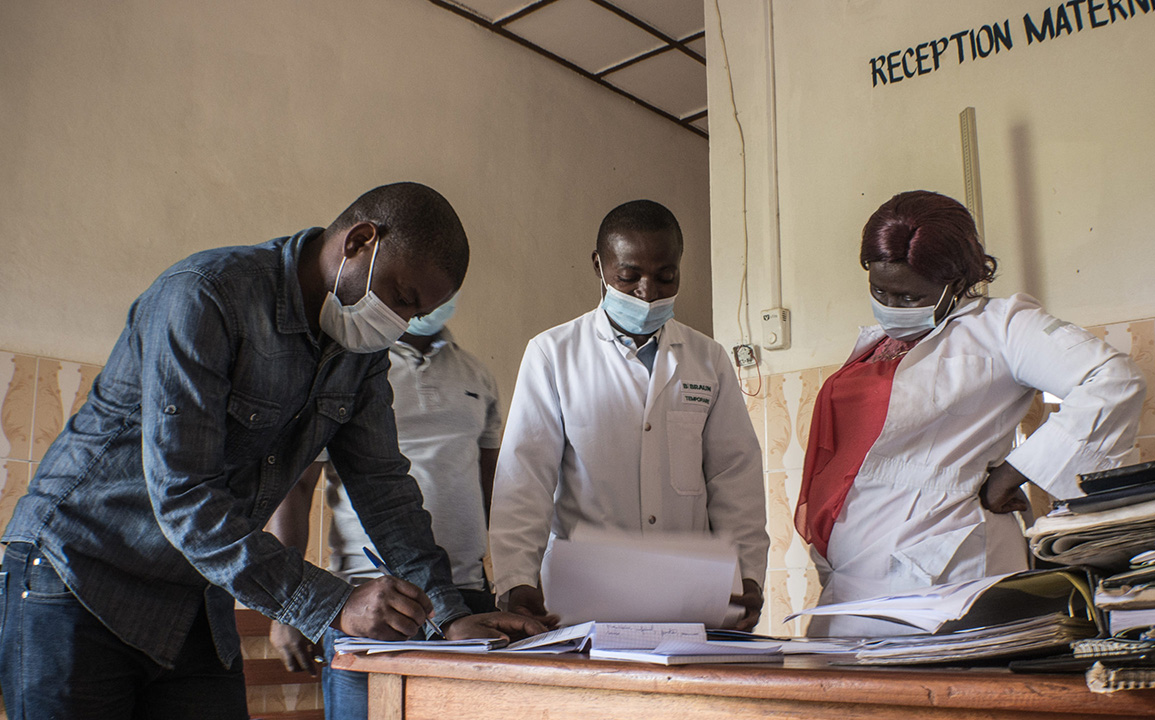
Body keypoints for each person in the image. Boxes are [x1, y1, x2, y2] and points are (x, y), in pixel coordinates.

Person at [0, 182, 541, 719]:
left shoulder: (361, 352)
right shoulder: (206, 294)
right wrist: (335, 604)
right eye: (401, 298)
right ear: (359, 241)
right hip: (79, 575)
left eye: (415, 314)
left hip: (192, 593)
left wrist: (447, 618)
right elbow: (184, 493)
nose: (399, 324)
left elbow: (385, 490)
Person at [795, 190, 1146, 636]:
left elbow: (1113, 381)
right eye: (880, 291)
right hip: (849, 576)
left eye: (908, 297)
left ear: (955, 282)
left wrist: (1013, 473)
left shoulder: (1002, 327)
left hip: (940, 567)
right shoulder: (876, 349)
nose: (891, 307)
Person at [488, 199, 769, 630]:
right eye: (629, 276)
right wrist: (515, 579)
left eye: (665, 276)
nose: (647, 292)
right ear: (599, 266)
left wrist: (747, 573)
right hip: (584, 594)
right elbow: (524, 476)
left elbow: (735, 476)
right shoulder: (553, 353)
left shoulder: (706, 359)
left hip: (687, 593)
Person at [267, 295, 504, 719]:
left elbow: (496, 489)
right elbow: (297, 487)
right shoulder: (344, 370)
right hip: (368, 600)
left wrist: (509, 581)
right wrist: (286, 606)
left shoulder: (477, 374)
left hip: (467, 596)